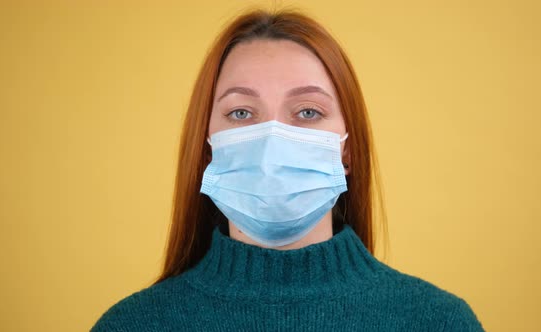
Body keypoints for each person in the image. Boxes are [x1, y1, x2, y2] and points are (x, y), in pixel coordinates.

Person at [92, 9, 484, 332]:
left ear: (346, 149)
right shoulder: (131, 325)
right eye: (241, 113)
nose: (271, 140)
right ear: (207, 147)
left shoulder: (439, 323)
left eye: (308, 112)